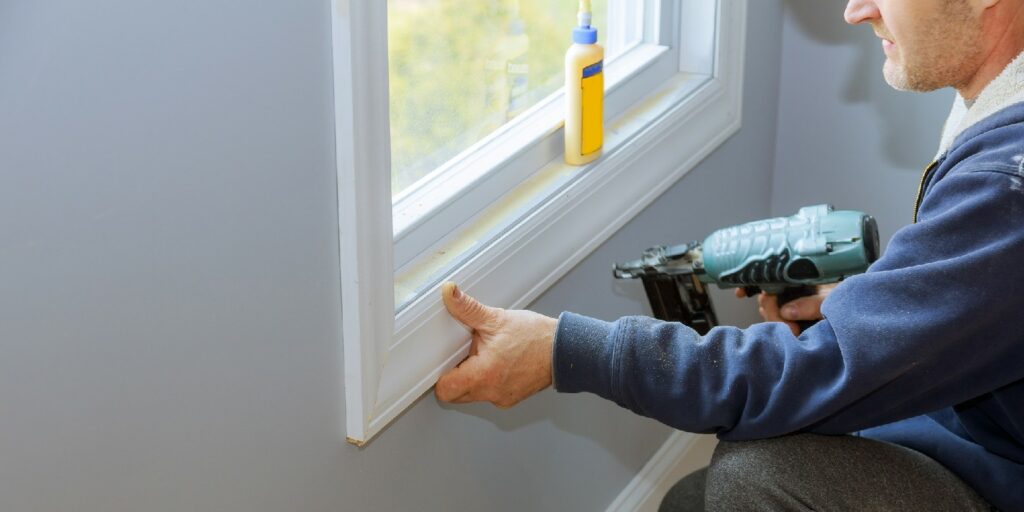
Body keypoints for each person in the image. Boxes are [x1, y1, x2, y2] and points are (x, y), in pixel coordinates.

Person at [434, 0, 1024, 509]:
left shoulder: (1006, 186)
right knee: (690, 502)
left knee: (755, 477)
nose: (855, 10)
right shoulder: (999, 119)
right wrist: (873, 310)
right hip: (986, 428)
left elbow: (808, 377)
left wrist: (566, 352)